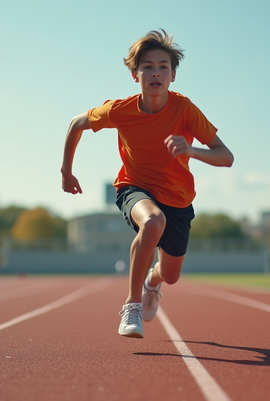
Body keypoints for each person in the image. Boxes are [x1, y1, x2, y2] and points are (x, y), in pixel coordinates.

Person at [60, 29, 234, 338]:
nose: (156, 72)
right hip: (134, 187)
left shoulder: (185, 109)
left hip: (179, 199)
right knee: (153, 222)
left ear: (173, 75)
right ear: (134, 74)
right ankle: (132, 306)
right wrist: (66, 171)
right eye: (148, 66)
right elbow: (77, 124)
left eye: (163, 66)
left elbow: (226, 156)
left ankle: (152, 283)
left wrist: (192, 150)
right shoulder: (120, 110)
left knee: (171, 274)